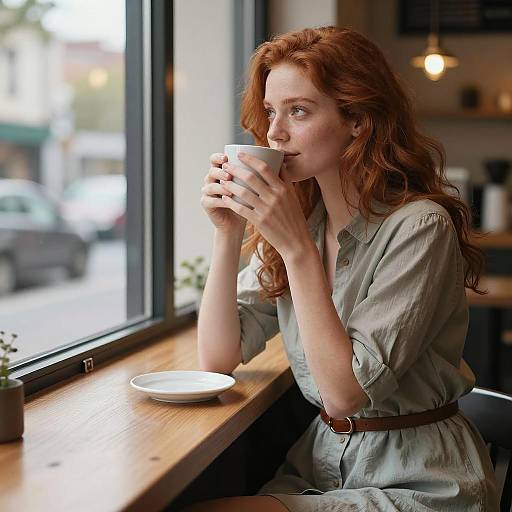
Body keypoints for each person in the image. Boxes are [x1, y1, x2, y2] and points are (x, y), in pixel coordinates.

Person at [188, 26, 499, 512]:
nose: (275, 133)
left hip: (421, 481)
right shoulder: (305, 225)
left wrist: (296, 251)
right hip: (321, 465)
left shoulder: (419, 227)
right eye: (271, 111)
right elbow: (217, 357)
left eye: (299, 110)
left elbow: (343, 396)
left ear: (357, 119)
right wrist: (227, 233)